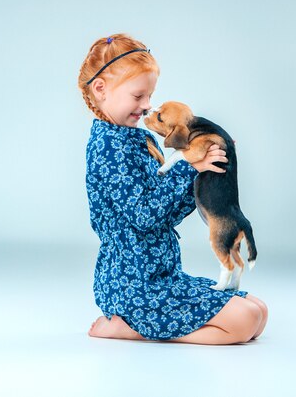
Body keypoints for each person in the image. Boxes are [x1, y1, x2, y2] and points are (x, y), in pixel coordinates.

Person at [77, 33, 268, 345]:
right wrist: (188, 165)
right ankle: (131, 327)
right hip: (133, 284)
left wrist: (202, 175)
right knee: (244, 322)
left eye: (150, 95)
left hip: (161, 273)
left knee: (258, 313)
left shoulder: (142, 139)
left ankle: (150, 325)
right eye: (138, 96)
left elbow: (165, 214)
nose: (147, 105)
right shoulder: (109, 148)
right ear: (101, 90)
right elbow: (144, 215)